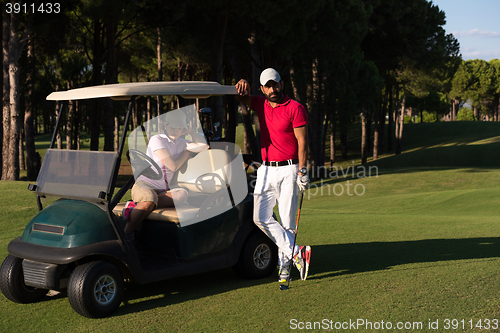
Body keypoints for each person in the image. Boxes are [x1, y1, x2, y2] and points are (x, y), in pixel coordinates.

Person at [235, 68, 312, 284]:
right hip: (266, 170)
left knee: (287, 223)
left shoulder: (295, 108)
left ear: (282, 83)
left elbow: (303, 141)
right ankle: (298, 252)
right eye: (268, 86)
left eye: (275, 84)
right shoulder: (261, 103)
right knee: (259, 217)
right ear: (262, 88)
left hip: (289, 168)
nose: (272, 89)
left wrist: (303, 170)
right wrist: (241, 82)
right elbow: (242, 96)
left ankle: (284, 268)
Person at [123, 108, 208, 236]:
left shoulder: (182, 142)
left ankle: (134, 206)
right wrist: (186, 154)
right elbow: (172, 166)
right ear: (166, 125)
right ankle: (125, 235)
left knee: (182, 194)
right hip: (146, 184)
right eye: (173, 127)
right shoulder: (157, 139)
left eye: (179, 128)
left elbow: (204, 147)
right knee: (150, 199)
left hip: (164, 190)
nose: (176, 131)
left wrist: (190, 131)